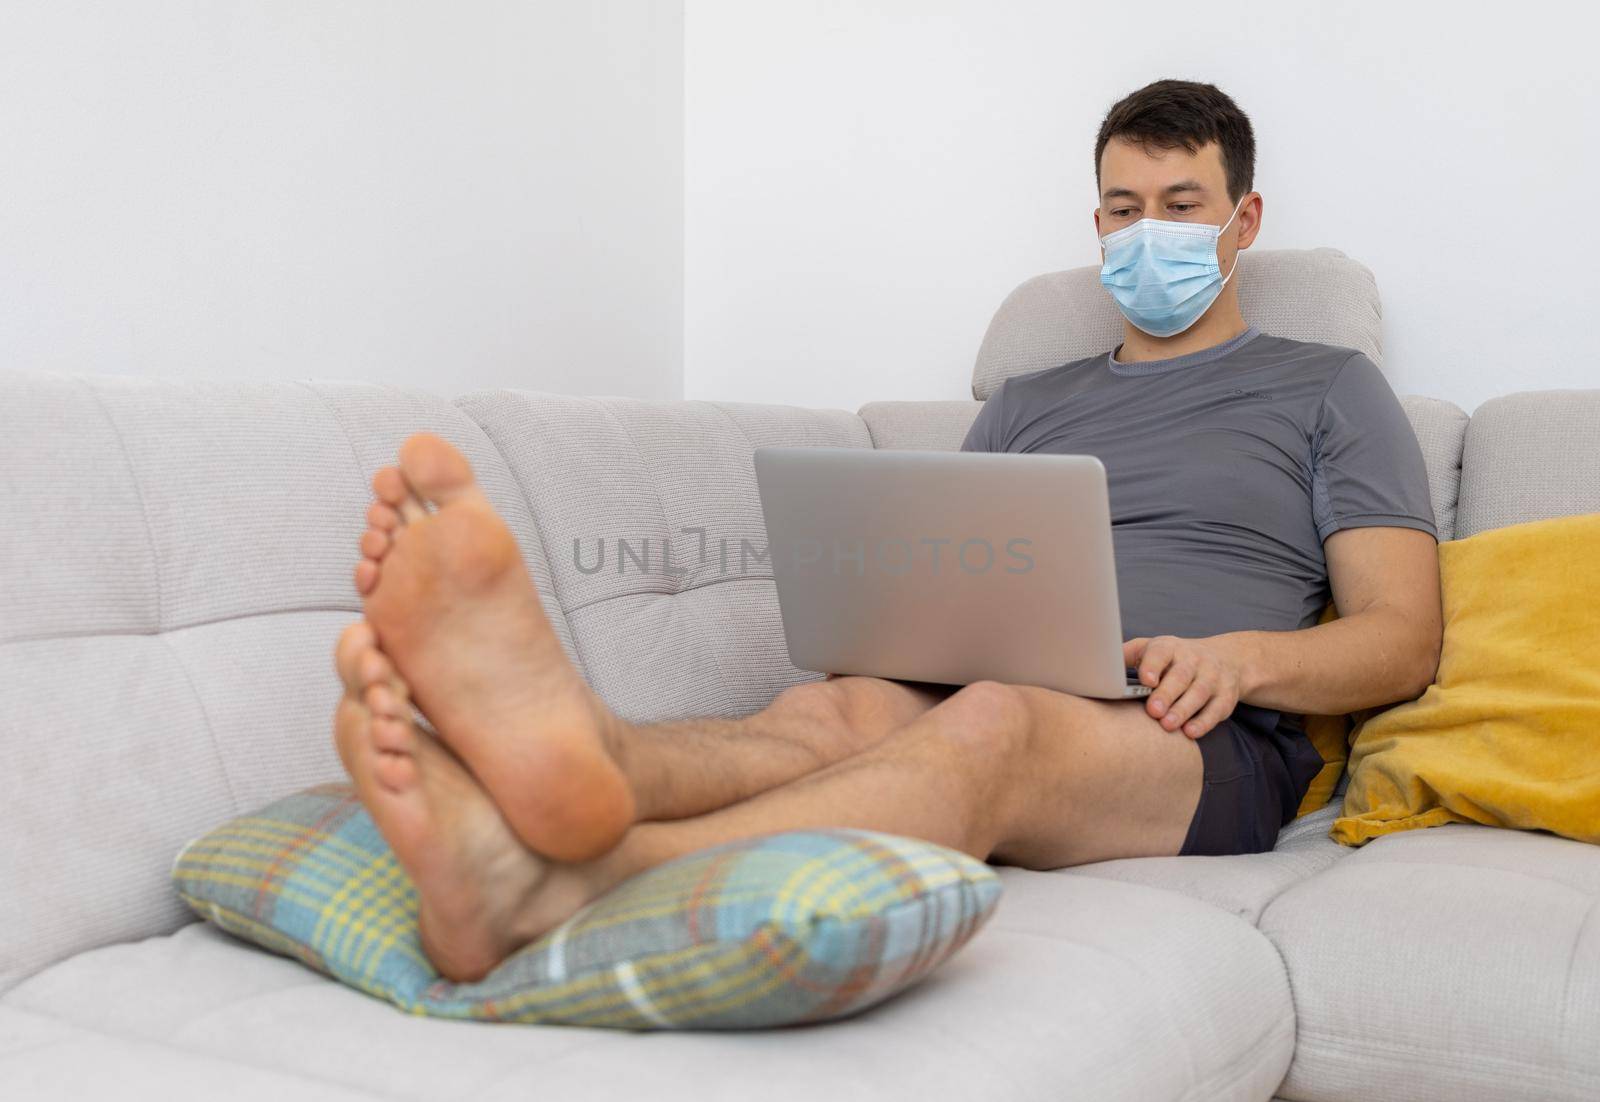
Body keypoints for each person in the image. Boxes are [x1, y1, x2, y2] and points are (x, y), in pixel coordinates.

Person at [331, 78, 1442, 982]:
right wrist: (894, 630)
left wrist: (1241, 659)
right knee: (837, 705)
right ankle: (590, 754)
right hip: (1002, 679)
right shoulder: (1025, 401)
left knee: (997, 721)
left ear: (1243, 221)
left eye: (1181, 203)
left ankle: (563, 882)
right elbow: (941, 584)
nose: (1146, 232)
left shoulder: (1329, 387)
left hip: (1198, 734)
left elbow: (1402, 636)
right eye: (1121, 207)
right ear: (1094, 222)